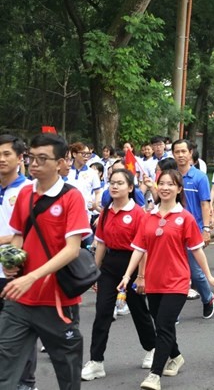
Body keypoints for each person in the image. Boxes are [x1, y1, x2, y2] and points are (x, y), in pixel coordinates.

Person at [0, 133, 92, 389]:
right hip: (19, 300)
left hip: (56, 301)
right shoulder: (25, 194)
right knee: (5, 368)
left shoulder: (71, 197)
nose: (34, 164)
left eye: (43, 159)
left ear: (61, 162)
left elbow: (72, 250)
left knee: (68, 374)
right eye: (32, 158)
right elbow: (19, 236)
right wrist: (10, 262)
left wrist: (32, 276)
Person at [118, 169, 214, 390]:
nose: (165, 187)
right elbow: (138, 248)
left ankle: (155, 374)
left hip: (177, 281)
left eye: (170, 184)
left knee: (164, 324)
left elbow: (197, 250)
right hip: (154, 281)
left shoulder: (185, 218)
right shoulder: (148, 216)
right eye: (162, 183)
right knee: (160, 323)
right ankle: (176, 355)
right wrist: (128, 276)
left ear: (179, 189)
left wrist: (209, 276)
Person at [81, 169, 157, 381]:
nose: (114, 186)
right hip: (110, 266)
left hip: (131, 265)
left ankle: (152, 348)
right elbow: (102, 243)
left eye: (120, 183)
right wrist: (94, 272)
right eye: (112, 183)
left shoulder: (138, 214)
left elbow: (143, 248)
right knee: (102, 312)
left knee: (139, 310)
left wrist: (141, 276)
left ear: (130, 188)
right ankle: (96, 361)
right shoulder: (105, 211)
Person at [0, 135, 38, 390]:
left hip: (15, 273)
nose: (1, 159)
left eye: (6, 154)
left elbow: (26, 231)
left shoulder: (28, 191)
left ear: (19, 158)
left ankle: (27, 383)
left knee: (19, 333)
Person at [170, 139, 214, 318]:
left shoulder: (200, 177)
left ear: (190, 153)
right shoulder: (171, 176)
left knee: (195, 272)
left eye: (183, 151)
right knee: (173, 271)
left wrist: (206, 229)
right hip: (172, 231)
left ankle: (207, 298)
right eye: (177, 152)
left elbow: (205, 204)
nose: (180, 155)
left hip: (193, 230)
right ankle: (173, 313)